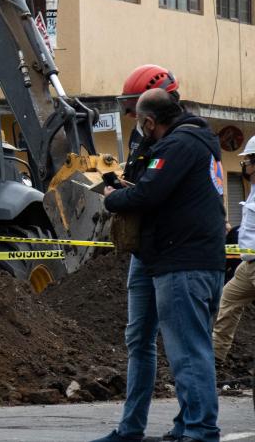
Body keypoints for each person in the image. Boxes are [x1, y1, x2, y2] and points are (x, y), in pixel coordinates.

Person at [94, 89, 226, 442]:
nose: (136, 128)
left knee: (187, 349)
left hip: (182, 261)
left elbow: (147, 194)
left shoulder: (180, 144)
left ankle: (200, 430)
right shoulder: (176, 145)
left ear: (150, 121)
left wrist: (112, 199)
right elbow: (150, 185)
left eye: (138, 121)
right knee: (149, 341)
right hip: (163, 256)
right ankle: (142, 427)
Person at [94, 66, 184, 442]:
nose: (134, 118)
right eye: (130, 108)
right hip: (142, 252)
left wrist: (124, 197)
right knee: (138, 341)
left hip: (172, 254)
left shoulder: (180, 142)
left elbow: (154, 192)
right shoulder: (141, 137)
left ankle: (190, 424)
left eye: (137, 109)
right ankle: (131, 427)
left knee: (181, 343)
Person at [212, 136, 255, 363]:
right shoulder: (253, 190)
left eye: (248, 160)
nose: (245, 165)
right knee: (228, 301)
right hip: (248, 265)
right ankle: (215, 357)